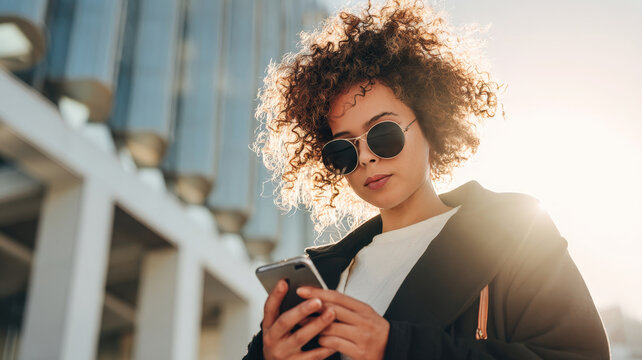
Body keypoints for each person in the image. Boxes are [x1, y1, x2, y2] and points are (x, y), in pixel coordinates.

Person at [243, 0, 610, 359]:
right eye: (344, 150)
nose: (367, 157)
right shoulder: (322, 277)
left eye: (383, 133)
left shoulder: (516, 231)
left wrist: (395, 348)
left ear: (431, 124)